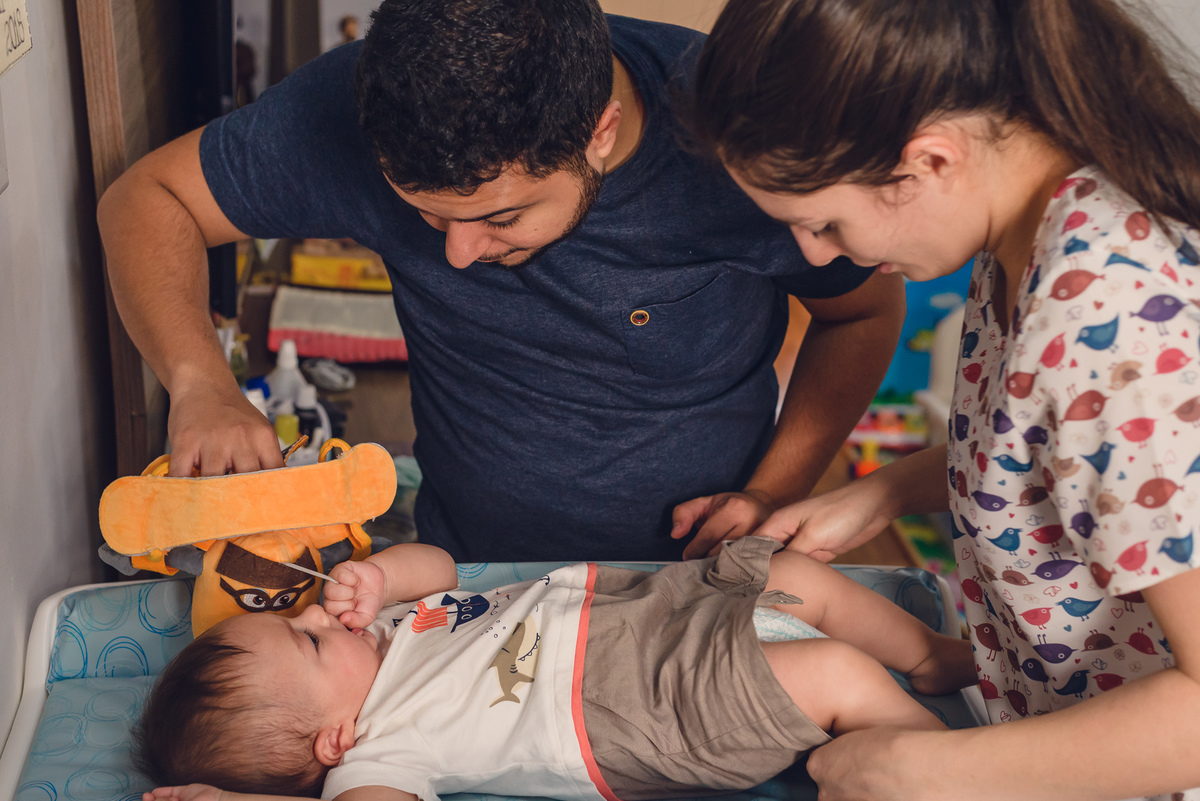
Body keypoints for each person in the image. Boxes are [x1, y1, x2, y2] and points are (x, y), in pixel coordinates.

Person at [95, 0, 906, 564]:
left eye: (502, 218)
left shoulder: (738, 145)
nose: (457, 254)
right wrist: (199, 381)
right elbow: (146, 200)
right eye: (425, 214)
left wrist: (773, 492)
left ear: (600, 133)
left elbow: (862, 312)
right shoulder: (364, 101)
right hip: (464, 567)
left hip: (693, 573)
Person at [688, 0, 1200, 799]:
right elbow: (1067, 458)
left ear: (929, 160)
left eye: (825, 223)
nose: (815, 256)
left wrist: (922, 769)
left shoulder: (1110, 317)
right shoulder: (1021, 229)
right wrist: (880, 494)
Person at [134, 538, 974, 801]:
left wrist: (383, 576)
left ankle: (931, 657)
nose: (319, 613)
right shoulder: (379, 750)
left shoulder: (383, 630)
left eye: (302, 616)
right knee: (834, 672)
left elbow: (443, 565)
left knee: (797, 576)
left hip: (647, 610)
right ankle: (944, 766)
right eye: (311, 642)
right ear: (333, 739)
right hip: (637, 705)